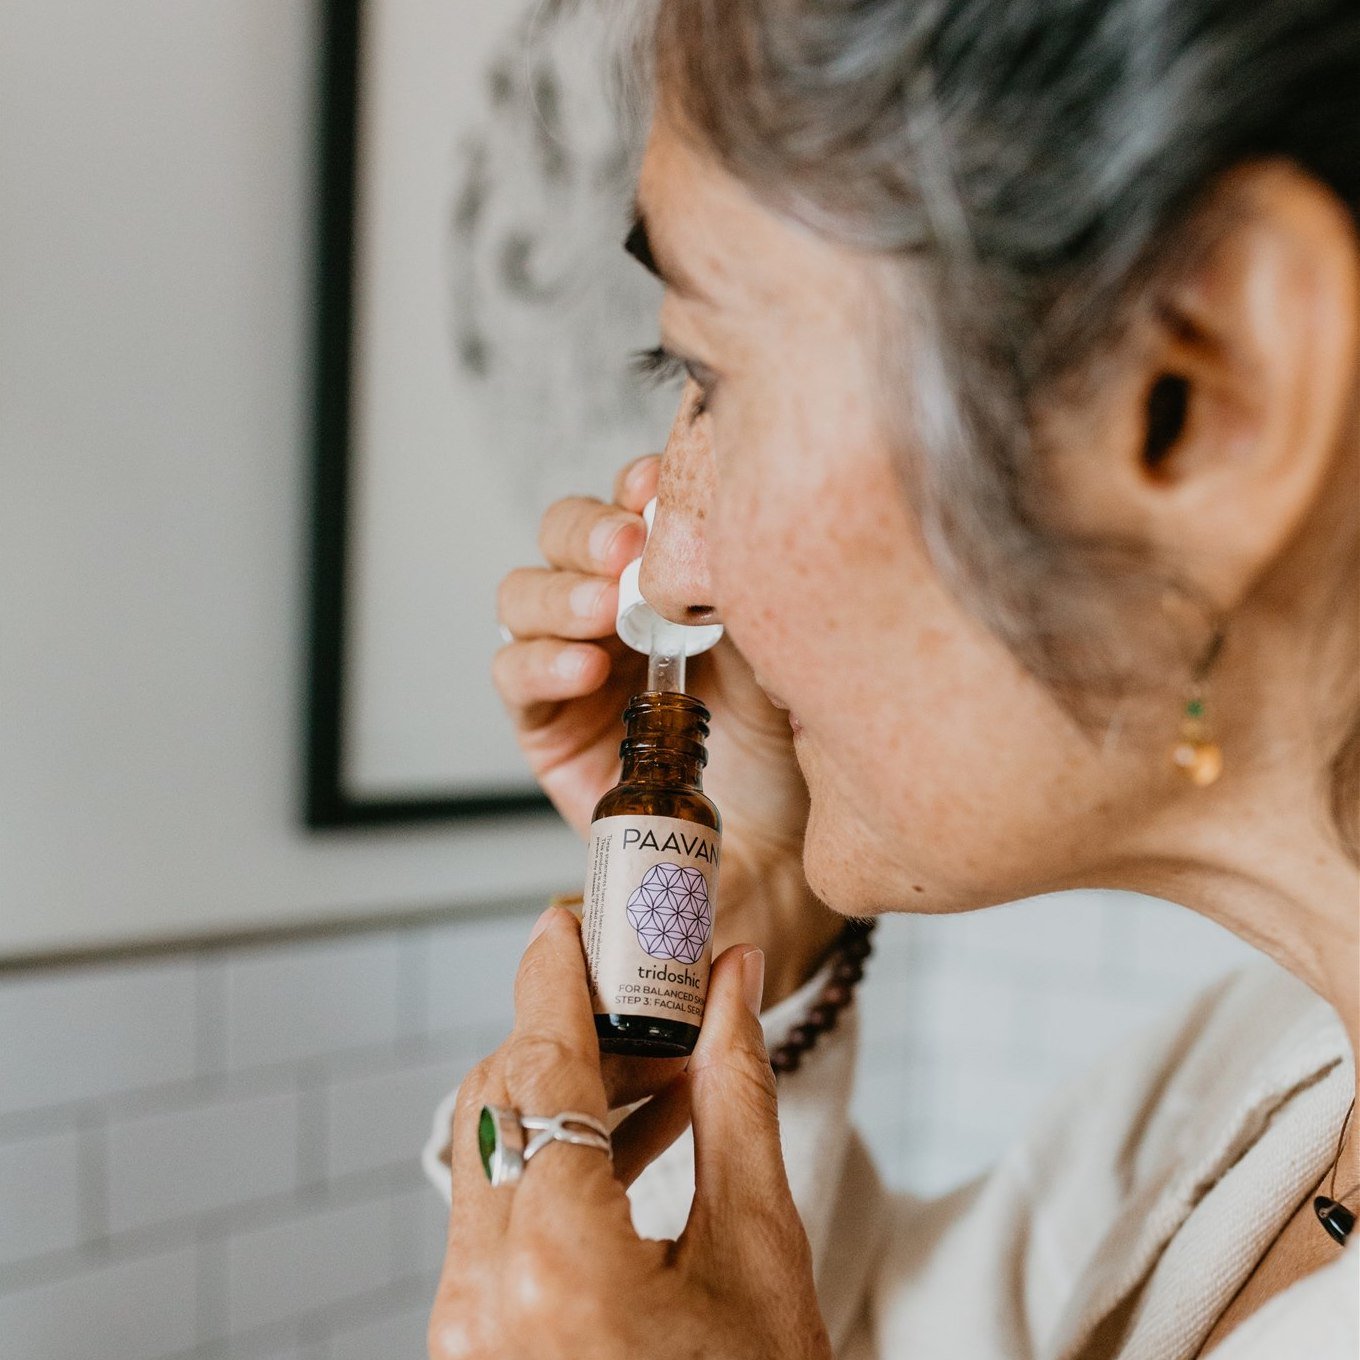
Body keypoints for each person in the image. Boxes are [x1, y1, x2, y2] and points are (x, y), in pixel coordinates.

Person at [424, 1, 1359, 1355]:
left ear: (1205, 396)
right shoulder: (1253, 1091)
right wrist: (734, 911)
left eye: (705, 369)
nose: (666, 568)